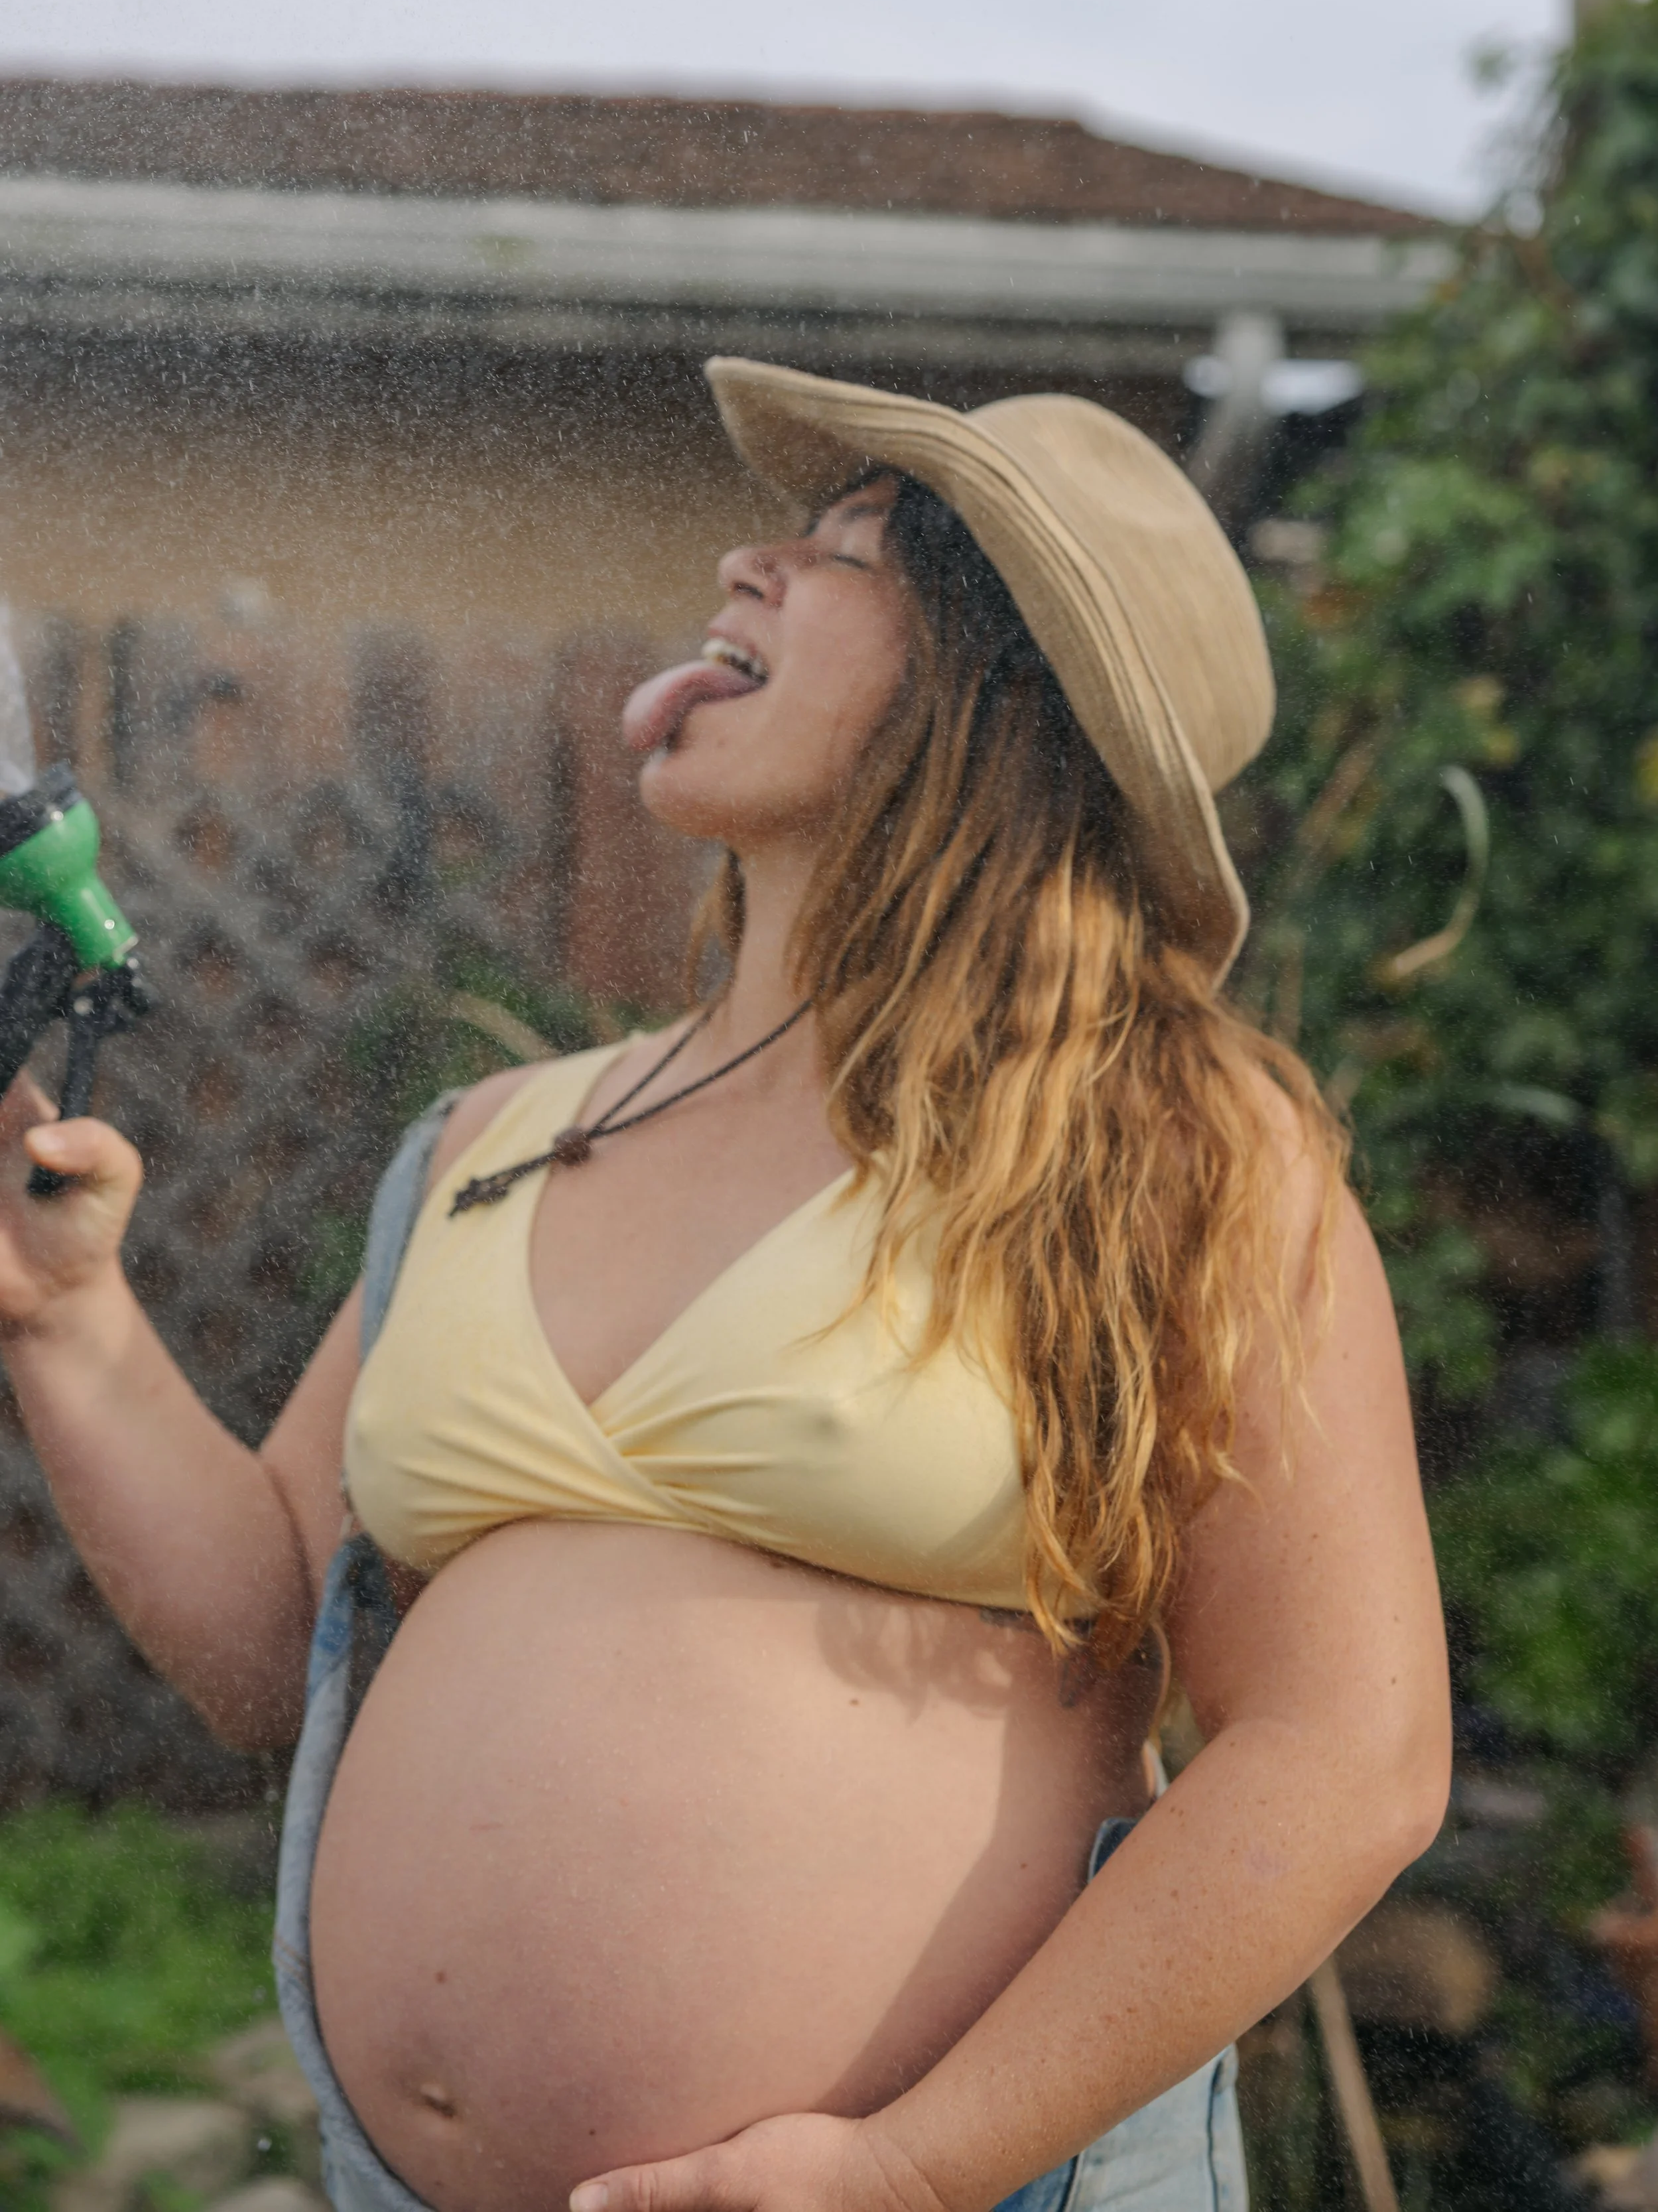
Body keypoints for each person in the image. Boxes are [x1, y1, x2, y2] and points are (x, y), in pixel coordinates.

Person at [0, 359, 1449, 2212]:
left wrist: (915, 2160)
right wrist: (68, 1317)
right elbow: (283, 1641)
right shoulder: (491, 1137)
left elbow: (1347, 1746)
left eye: (845, 553)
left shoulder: (1165, 1144)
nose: (745, 559)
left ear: (1006, 701)